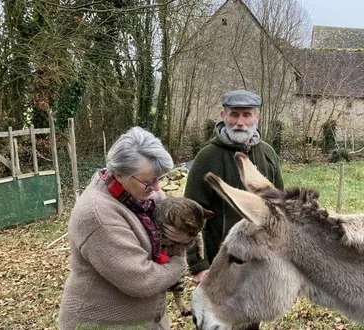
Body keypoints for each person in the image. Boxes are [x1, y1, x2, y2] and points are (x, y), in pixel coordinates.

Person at [59, 127, 195, 330]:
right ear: (120, 174)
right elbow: (142, 280)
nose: (157, 189)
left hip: (147, 321)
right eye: (148, 182)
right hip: (101, 324)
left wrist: (185, 238)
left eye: (159, 179)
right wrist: (179, 263)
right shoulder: (98, 215)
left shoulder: (147, 198)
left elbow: (178, 235)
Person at [185, 89, 284, 283]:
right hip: (220, 265)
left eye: (246, 115)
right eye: (234, 114)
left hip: (261, 264)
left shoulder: (268, 154)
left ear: (257, 117)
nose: (240, 122)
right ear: (223, 116)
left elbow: (280, 210)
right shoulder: (207, 157)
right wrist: (199, 265)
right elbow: (190, 214)